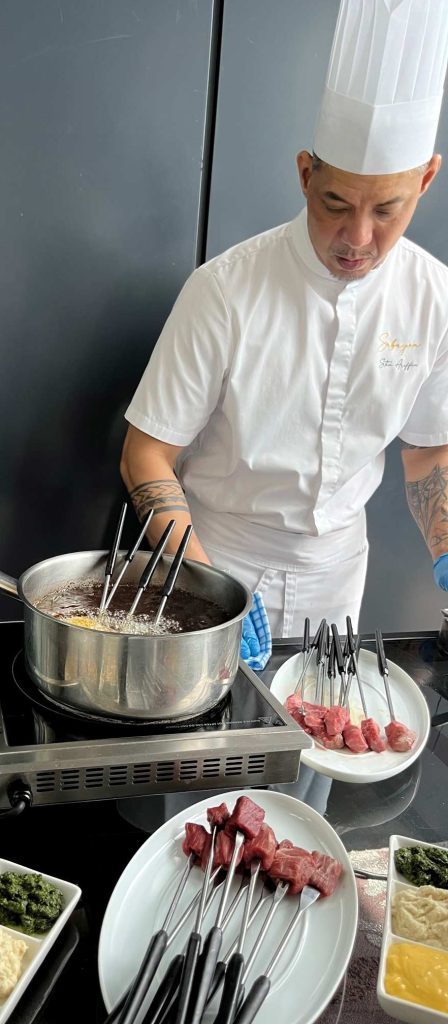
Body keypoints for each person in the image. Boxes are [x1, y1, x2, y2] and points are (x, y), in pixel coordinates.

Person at [119, 0, 448, 669]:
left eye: (387, 210)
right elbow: (145, 455)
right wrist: (211, 591)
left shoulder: (435, 297)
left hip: (338, 578)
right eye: (335, 204)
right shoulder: (224, 290)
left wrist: (447, 545)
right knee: (217, 737)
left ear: (425, 181)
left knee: (321, 731)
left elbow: (428, 451)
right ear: (305, 175)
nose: (358, 238)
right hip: (215, 558)